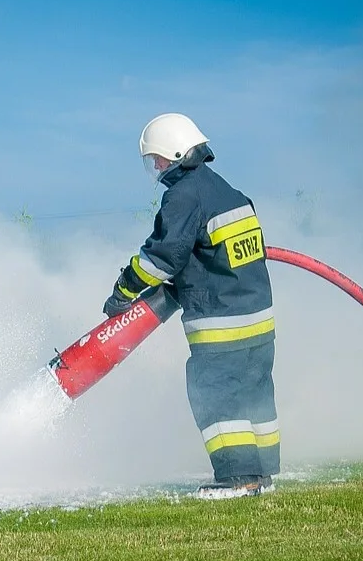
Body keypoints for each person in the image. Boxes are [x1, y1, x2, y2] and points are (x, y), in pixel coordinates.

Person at [103, 113, 278, 497]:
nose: (158, 168)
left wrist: (123, 290)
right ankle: (261, 473)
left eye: (160, 160)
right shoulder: (228, 192)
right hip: (259, 324)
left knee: (213, 393)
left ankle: (238, 478)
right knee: (255, 394)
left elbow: (161, 258)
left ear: (178, 153)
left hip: (221, 325)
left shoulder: (183, 197)